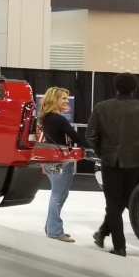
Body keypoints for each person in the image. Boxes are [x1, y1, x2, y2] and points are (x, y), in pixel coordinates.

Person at [85, 72, 139, 257]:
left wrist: (102, 152)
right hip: (136, 160)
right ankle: (103, 233)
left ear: (115, 87)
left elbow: (90, 135)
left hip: (111, 160)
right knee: (121, 202)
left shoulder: (102, 107)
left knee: (113, 204)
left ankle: (118, 245)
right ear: (135, 88)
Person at [38, 87, 87, 243]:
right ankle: (55, 231)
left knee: (58, 194)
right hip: (60, 161)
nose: (67, 101)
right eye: (64, 98)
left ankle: (50, 227)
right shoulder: (58, 118)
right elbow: (75, 137)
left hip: (49, 159)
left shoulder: (46, 117)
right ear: (55, 99)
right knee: (58, 196)